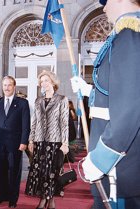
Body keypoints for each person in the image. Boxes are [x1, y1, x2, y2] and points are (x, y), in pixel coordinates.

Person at [71, 0, 140, 208]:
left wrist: (102, 157)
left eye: (107, 1)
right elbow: (120, 94)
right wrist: (90, 91)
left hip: (120, 169)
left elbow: (129, 108)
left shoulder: (129, 36)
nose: (104, 7)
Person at [25, 70, 69, 209]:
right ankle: (48, 200)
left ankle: (45, 200)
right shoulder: (38, 100)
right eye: (42, 81)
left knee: (51, 172)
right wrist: (31, 140)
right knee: (40, 172)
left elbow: (64, 122)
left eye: (46, 80)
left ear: (52, 82)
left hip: (54, 141)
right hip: (39, 140)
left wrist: (65, 143)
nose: (44, 83)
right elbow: (35, 121)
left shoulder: (62, 99)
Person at [0, 76, 30, 208]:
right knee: (1, 170)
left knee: (14, 170)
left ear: (14, 87)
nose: (6, 88)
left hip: (16, 144)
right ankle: (3, 195)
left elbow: (26, 125)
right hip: (0, 143)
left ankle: (13, 198)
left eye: (9, 85)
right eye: (4, 85)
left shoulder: (22, 103)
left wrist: (24, 141)